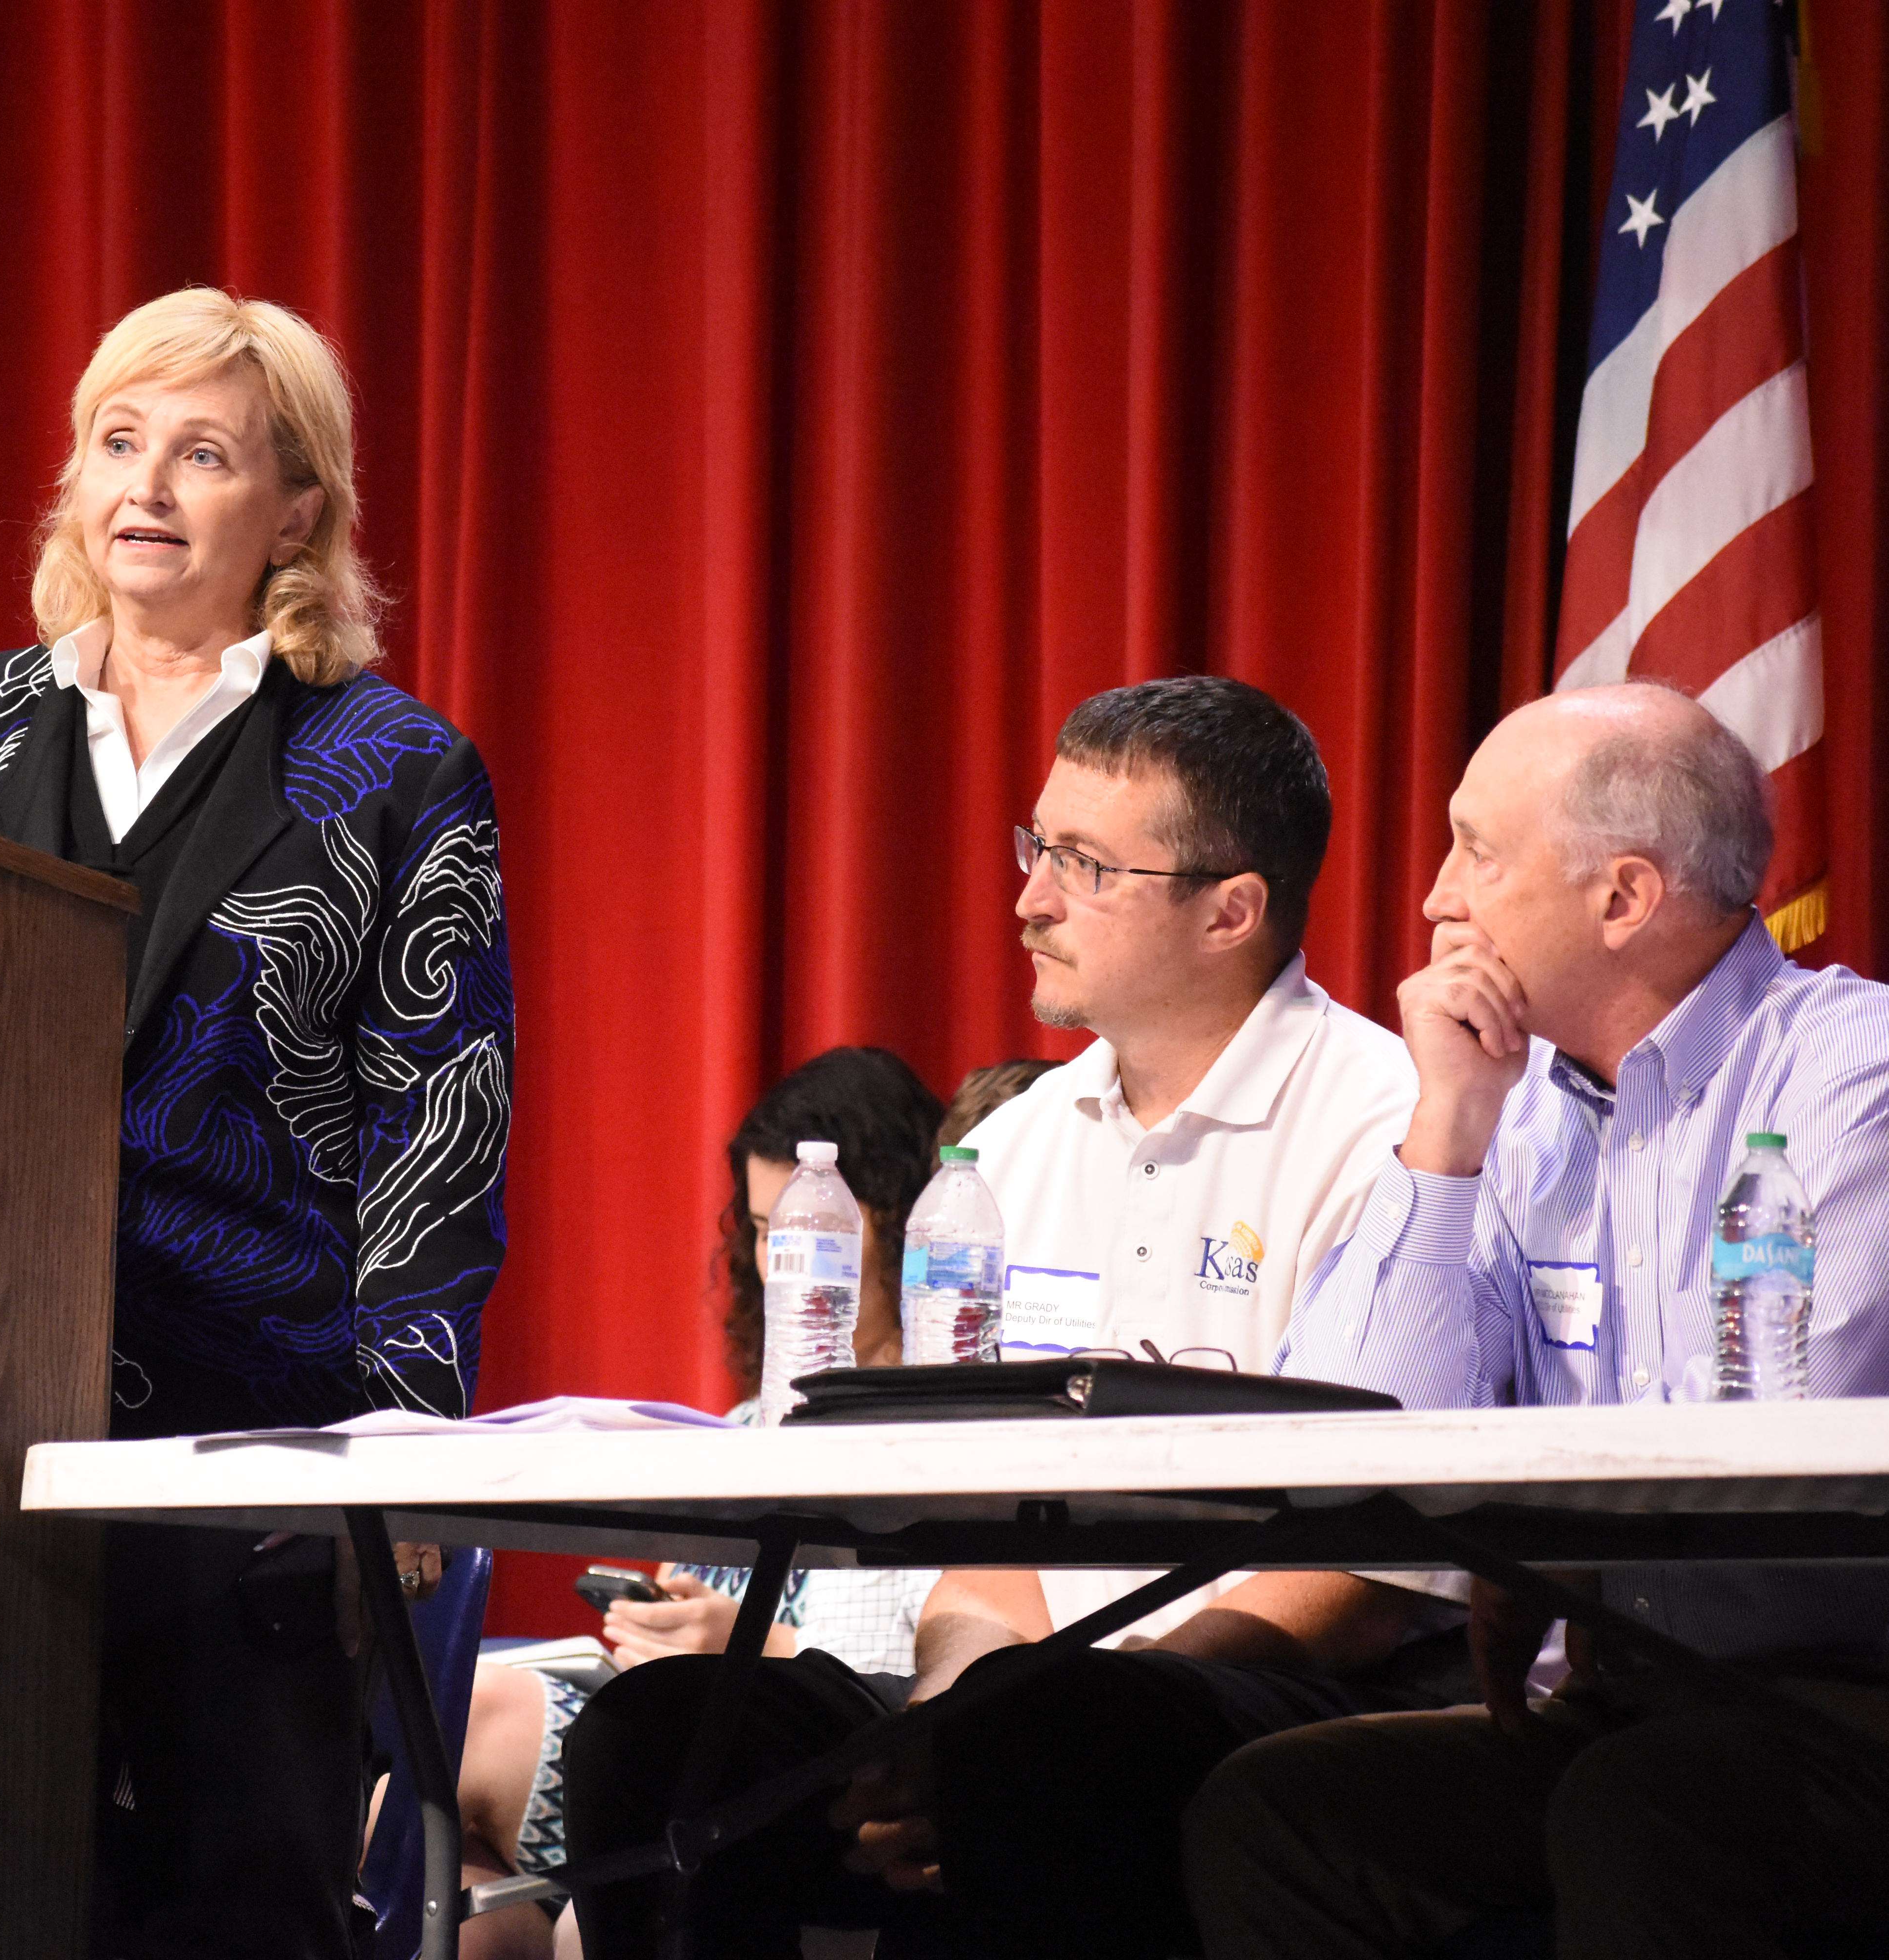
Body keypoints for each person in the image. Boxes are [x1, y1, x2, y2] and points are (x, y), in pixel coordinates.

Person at [562, 676, 1440, 1959]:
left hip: (1267, 1682)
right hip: (1026, 1690)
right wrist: (936, 1715)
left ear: (1231, 910)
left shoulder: (1384, 1126)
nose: (1029, 898)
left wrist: (1024, 1717)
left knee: (1050, 1746)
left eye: (1084, 865)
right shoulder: (1011, 1157)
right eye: (1040, 848)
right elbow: (981, 1538)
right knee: (670, 1736)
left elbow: (1366, 1563)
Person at [1184, 681, 1889, 1958]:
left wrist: (1548, 1559)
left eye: (1477, 850)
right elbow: (1351, 1440)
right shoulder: (1517, 1107)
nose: (1434, 898)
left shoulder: (1867, 1081)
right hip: (1641, 1698)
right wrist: (1450, 1133)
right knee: (1282, 1813)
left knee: (1645, 1807)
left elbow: (1792, 1485)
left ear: (1624, 898)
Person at [0, 288, 513, 1960]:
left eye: (205, 452)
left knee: (241, 1905)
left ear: (296, 511)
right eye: (119, 441)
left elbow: (440, 1109)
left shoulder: (389, 766)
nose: (146, 484)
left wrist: (409, 1434)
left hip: (259, 1434)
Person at [457, 1046, 978, 1960]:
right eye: (771, 1234)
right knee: (436, 1812)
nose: (786, 1272)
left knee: (493, 1735)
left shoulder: (946, 1433)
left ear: (895, 1223)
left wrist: (755, 1643)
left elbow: (950, 1658)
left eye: (814, 1239)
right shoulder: (745, 1426)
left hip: (824, 1759)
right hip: (660, 1740)